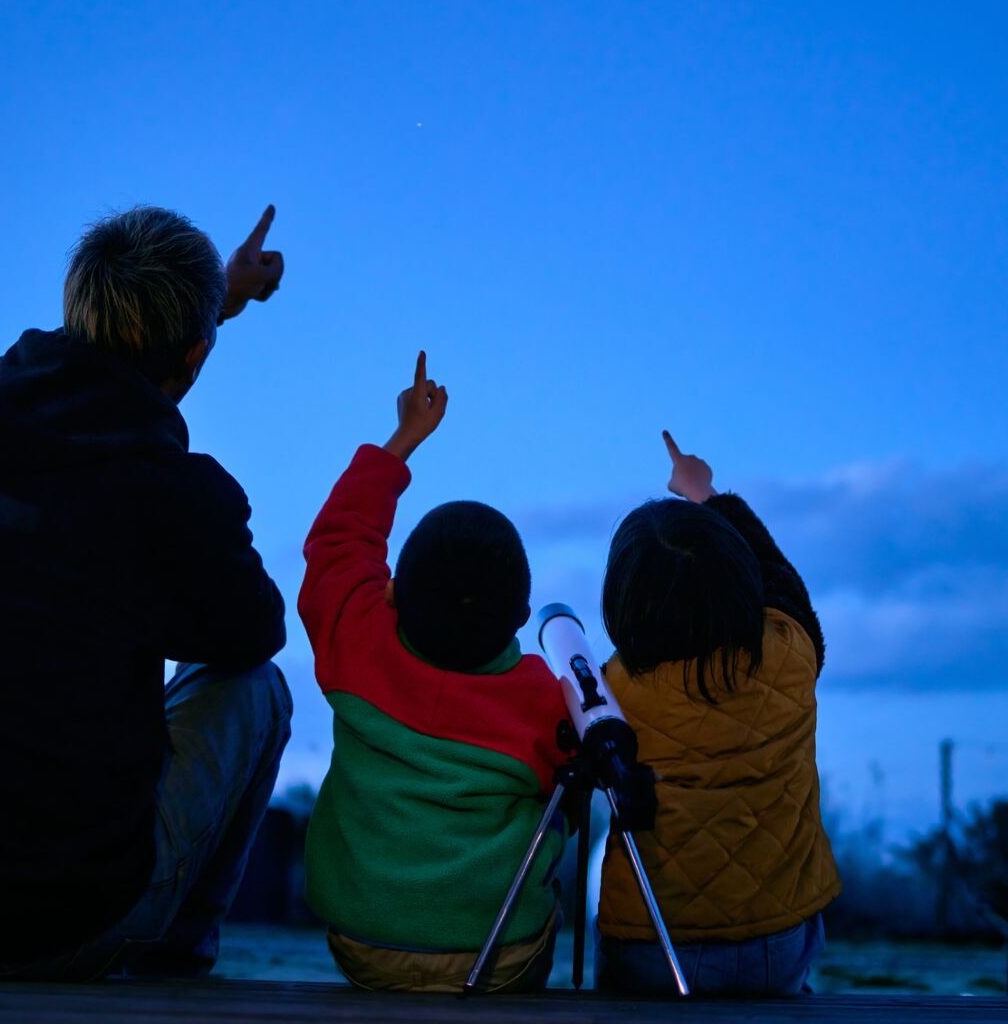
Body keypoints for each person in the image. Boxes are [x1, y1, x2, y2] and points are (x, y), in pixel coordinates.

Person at [0, 204, 294, 980]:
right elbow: (253, 632)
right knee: (257, 689)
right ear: (196, 357)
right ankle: (170, 956)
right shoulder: (171, 497)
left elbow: (97, 362)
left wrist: (217, 304)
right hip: (54, 930)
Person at [297, 353, 568, 993]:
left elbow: (338, 542)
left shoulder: (355, 640)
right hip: (500, 956)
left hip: (364, 945)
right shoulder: (541, 699)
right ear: (522, 617)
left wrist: (403, 441)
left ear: (392, 591)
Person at [593, 431, 840, 996]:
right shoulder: (791, 653)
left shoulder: (613, 693)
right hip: (776, 945)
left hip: (650, 943)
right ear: (741, 582)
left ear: (624, 603)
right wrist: (705, 495)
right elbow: (780, 577)